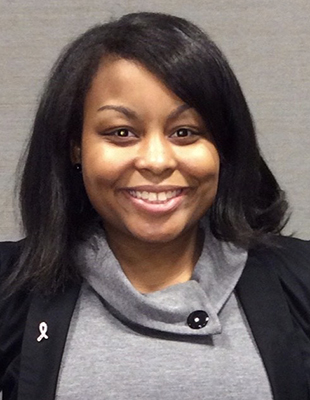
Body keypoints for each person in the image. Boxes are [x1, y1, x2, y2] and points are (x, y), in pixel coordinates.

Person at [0, 11, 309, 400]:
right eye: (121, 133)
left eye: (185, 132)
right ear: (75, 146)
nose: (157, 161)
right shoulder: (12, 289)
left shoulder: (299, 280)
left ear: (224, 147)